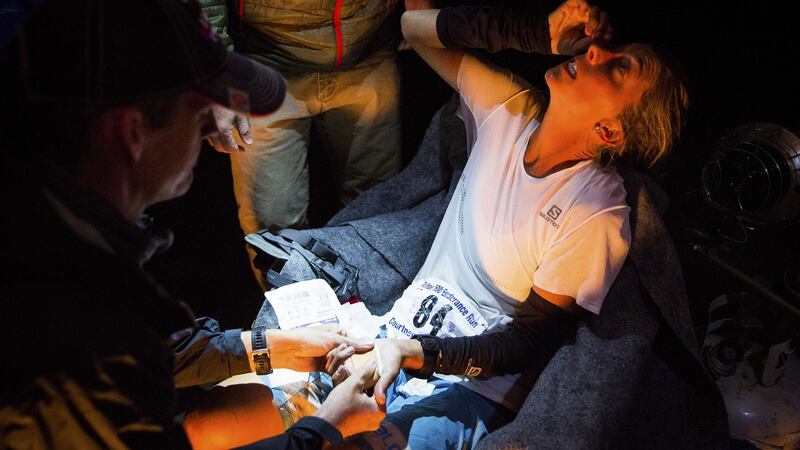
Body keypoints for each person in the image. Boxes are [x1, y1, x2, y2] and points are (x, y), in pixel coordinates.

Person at [0, 0, 385, 448]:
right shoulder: (70, 335)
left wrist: (272, 346)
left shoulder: (54, 230)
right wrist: (323, 429)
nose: (210, 133)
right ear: (132, 134)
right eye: (201, 113)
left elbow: (164, 345)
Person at [325, 1, 688, 448]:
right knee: (249, 409)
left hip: (469, 389)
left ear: (609, 132)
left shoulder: (596, 213)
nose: (596, 51)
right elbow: (413, 28)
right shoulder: (509, 108)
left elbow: (524, 345)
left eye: (616, 69)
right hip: (393, 336)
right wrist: (536, 33)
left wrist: (414, 353)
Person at [198, 0, 425, 287]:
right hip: (266, 60)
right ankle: (294, 327)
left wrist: (419, 10)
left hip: (370, 53)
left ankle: (371, 317)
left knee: (377, 213)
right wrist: (214, 69)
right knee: (274, 229)